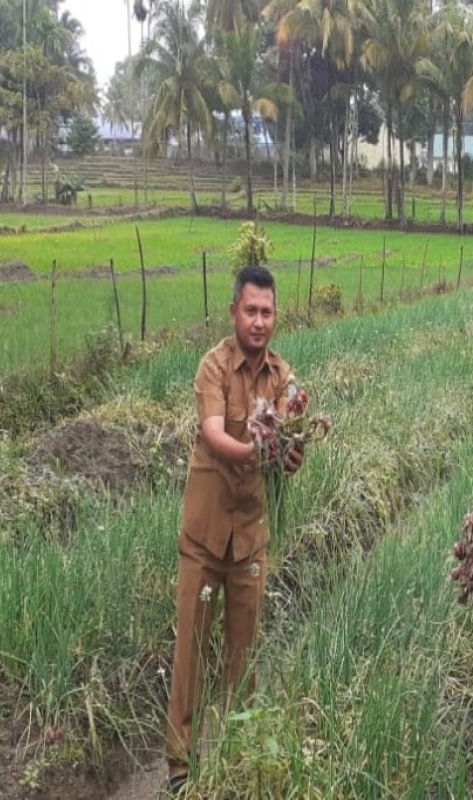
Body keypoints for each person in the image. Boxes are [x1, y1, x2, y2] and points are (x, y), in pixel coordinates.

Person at [164, 266, 304, 792]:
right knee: (191, 653)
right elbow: (215, 435)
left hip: (250, 537)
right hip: (203, 538)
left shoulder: (284, 378)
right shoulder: (213, 367)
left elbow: (292, 444)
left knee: (243, 656)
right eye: (251, 311)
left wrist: (290, 455)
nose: (260, 321)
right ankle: (180, 764)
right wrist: (260, 451)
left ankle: (237, 754)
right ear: (234, 312)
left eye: (267, 312)